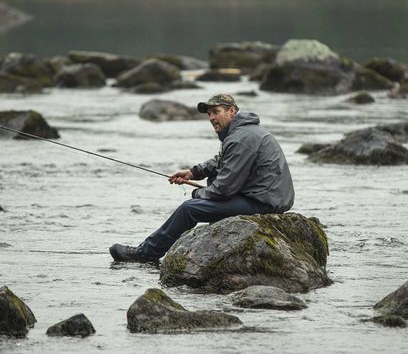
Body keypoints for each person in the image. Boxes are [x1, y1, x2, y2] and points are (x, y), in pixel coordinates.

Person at [109, 93, 295, 262]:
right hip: (263, 196)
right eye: (209, 114)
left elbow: (224, 188)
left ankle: (146, 253)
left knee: (188, 209)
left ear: (232, 111)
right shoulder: (242, 132)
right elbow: (222, 161)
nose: (212, 118)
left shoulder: (242, 137)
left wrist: (198, 194)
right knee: (211, 179)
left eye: (216, 112)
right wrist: (193, 172)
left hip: (263, 203)